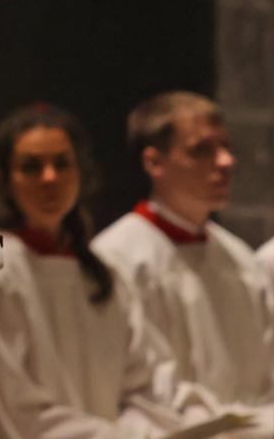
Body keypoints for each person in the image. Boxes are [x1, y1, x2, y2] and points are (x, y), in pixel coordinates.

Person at [0, 103, 240, 437]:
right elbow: (17, 407)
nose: (50, 178)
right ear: (5, 179)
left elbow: (145, 383)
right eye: (32, 167)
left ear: (80, 172)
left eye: (62, 164)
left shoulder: (101, 274)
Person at [94, 93, 274, 416]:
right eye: (202, 150)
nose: (226, 161)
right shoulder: (117, 259)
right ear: (154, 162)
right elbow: (136, 387)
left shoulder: (240, 259)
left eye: (225, 147)